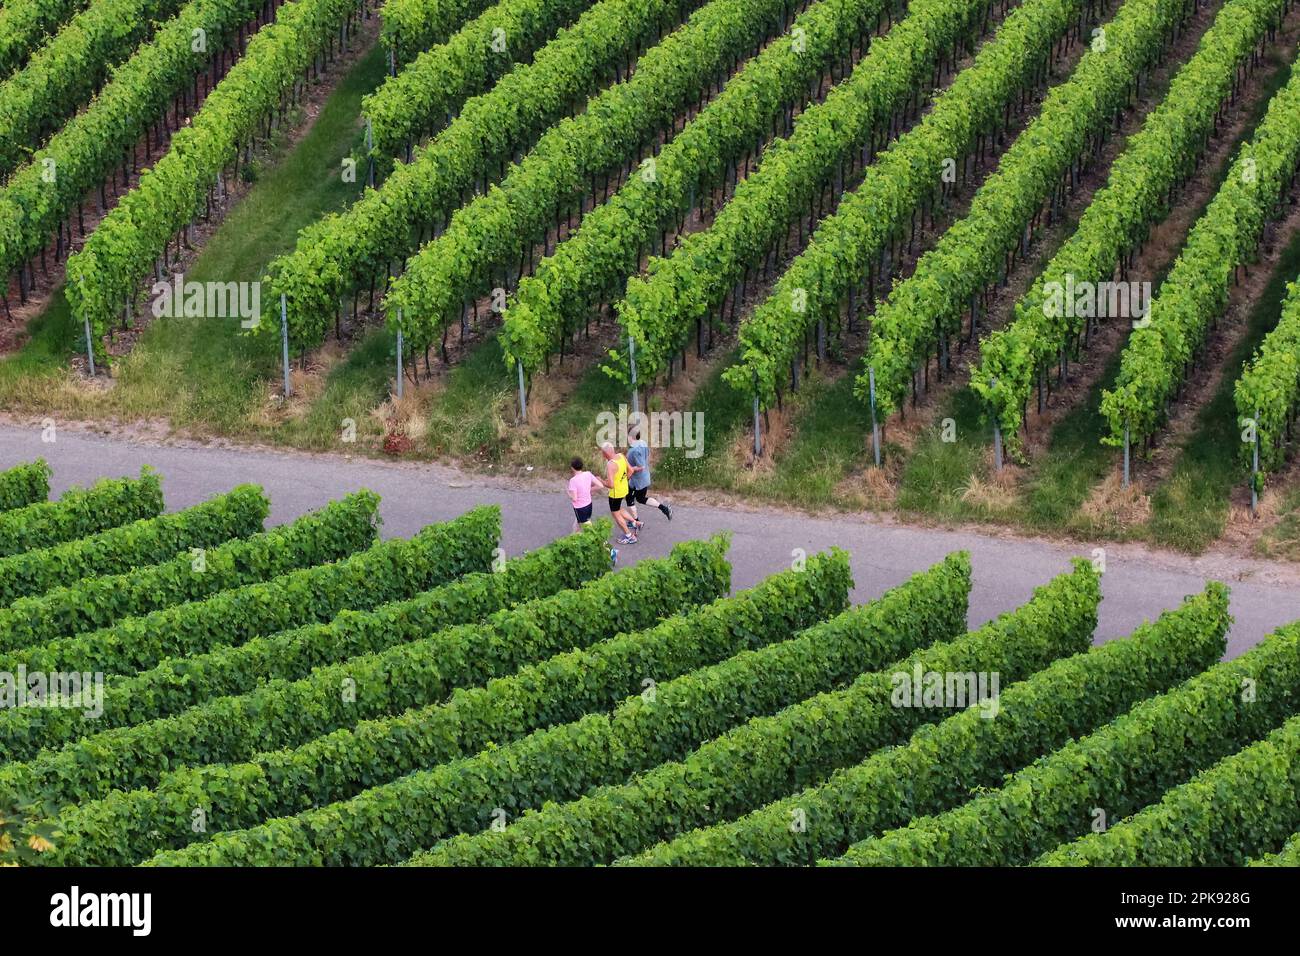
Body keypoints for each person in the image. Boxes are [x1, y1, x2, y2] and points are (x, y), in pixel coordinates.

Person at [624, 427, 672, 527]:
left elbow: (641, 466)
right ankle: (664, 509)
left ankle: (635, 522)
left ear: (631, 436)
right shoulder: (643, 442)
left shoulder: (634, 450)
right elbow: (647, 456)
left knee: (629, 499)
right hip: (644, 477)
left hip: (637, 481)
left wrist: (628, 468)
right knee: (641, 499)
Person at [600, 442, 638, 544]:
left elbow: (611, 485)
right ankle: (634, 522)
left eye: (602, 453)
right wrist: (624, 481)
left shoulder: (610, 464)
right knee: (618, 508)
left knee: (615, 513)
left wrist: (601, 481)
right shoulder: (621, 456)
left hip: (615, 493)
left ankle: (629, 536)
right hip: (624, 489)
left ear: (605, 453)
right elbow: (630, 470)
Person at [567, 457, 605, 531]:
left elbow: (574, 498)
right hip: (589, 505)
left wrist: (569, 494)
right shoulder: (588, 474)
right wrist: (589, 490)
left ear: (572, 468)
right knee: (577, 524)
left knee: (589, 528)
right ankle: (574, 538)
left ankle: (601, 541)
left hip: (580, 508)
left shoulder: (573, 481)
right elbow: (600, 485)